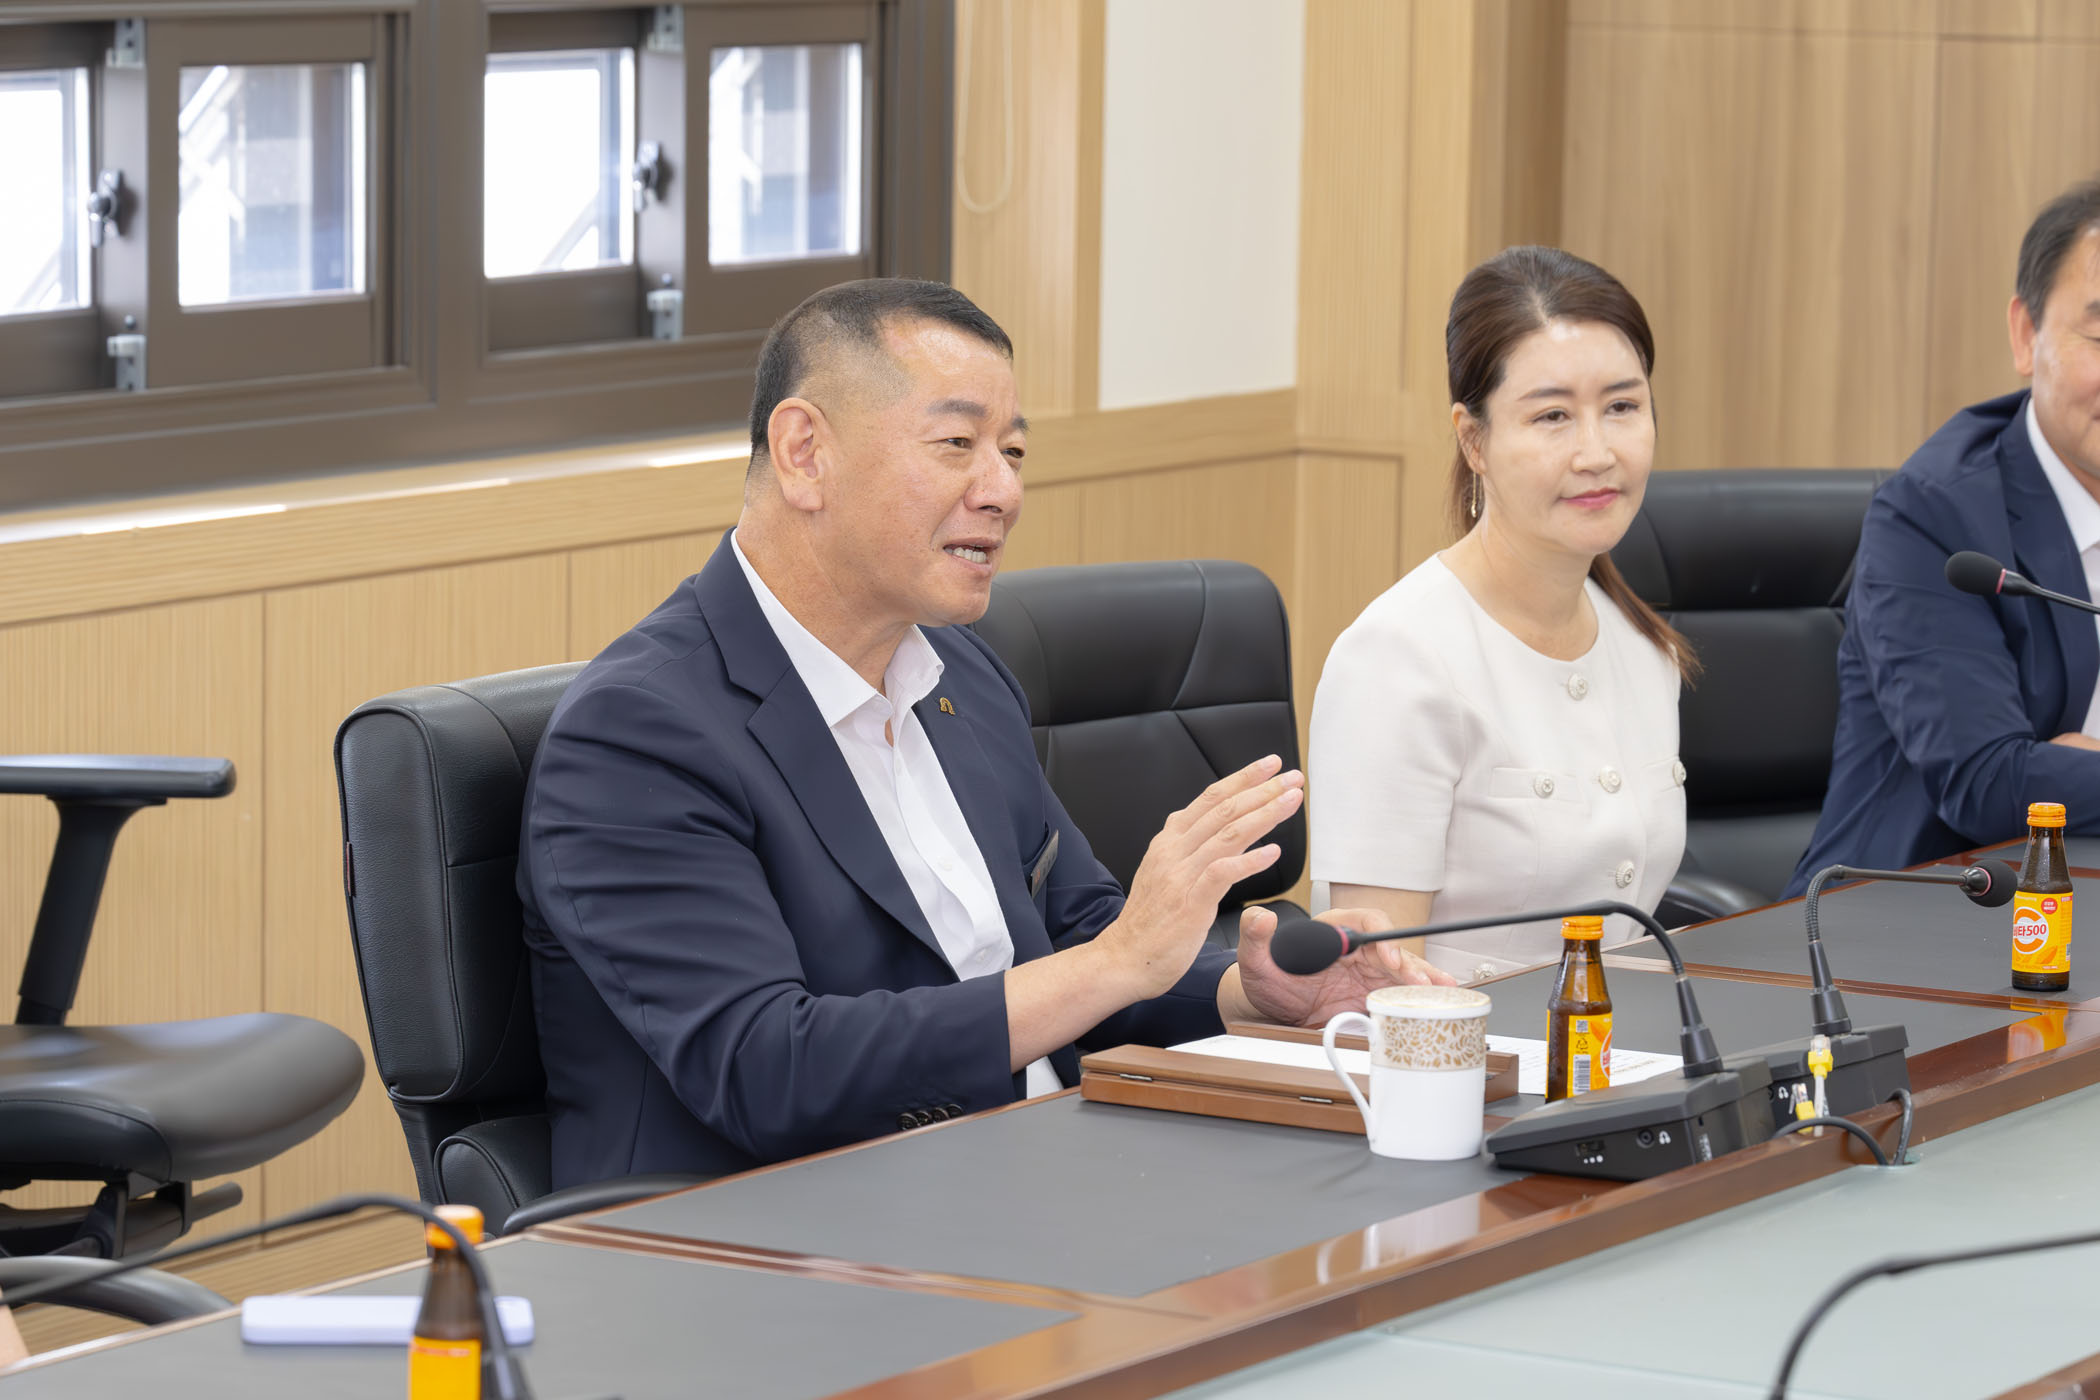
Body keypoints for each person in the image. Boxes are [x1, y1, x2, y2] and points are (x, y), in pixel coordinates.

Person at [517, 279, 1448, 1187]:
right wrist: (1116, 961)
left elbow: (1076, 940)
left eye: (1013, 451)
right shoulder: (637, 736)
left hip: (1038, 1174)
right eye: (957, 443)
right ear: (804, 453)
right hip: (776, 1237)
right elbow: (771, 1069)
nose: (1002, 489)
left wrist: (1249, 994)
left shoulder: (959, 672)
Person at [1308, 247, 1695, 982]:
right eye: (1552, 416)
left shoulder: (1646, 650)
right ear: (1474, 440)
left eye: (1622, 407)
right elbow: (1381, 988)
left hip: (1628, 1043)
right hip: (1464, 1051)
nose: (1596, 452)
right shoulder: (1396, 658)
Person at [1791, 177, 2100, 890]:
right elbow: (1990, 782)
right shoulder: (1935, 518)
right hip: (1904, 919)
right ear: (2026, 334)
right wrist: (2046, 773)